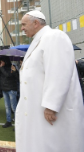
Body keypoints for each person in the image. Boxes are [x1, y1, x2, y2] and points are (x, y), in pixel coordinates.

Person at [16, 10, 84, 151]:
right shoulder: (39, 40)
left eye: (24, 24)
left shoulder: (55, 36)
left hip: (50, 112)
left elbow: (58, 73)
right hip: (37, 110)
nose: (21, 28)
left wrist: (51, 106)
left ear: (35, 23)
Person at [0, 56, 18, 128]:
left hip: (11, 89)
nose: (1, 63)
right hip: (4, 89)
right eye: (0, 62)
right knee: (7, 107)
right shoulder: (1, 68)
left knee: (14, 107)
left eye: (2, 61)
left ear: (6, 61)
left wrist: (1, 68)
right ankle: (8, 121)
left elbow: (8, 75)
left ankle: (17, 123)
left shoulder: (12, 67)